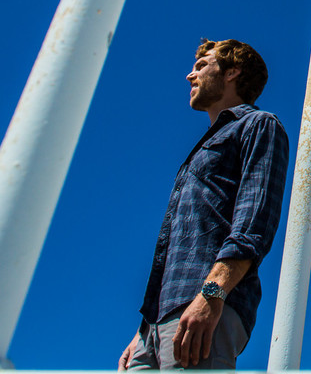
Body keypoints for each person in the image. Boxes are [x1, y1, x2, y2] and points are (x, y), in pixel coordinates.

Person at [120, 38, 290, 370]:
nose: (189, 75)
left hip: (205, 306)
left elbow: (253, 225)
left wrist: (211, 296)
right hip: (155, 325)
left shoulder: (258, 125)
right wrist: (143, 332)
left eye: (202, 66)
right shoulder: (203, 146)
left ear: (232, 72)